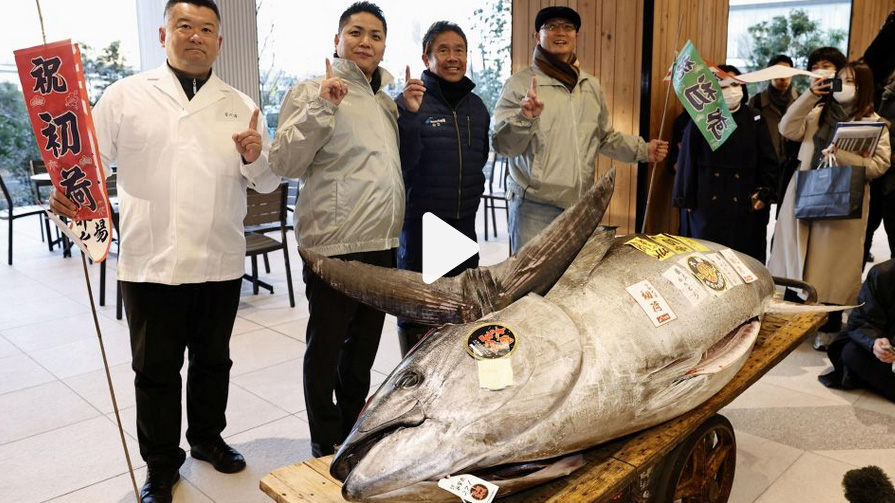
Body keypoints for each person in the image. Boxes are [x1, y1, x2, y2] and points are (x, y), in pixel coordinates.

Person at [50, 1, 281, 502]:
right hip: (150, 260)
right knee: (154, 369)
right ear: (163, 35)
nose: (195, 36)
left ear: (219, 41)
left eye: (206, 29)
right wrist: (68, 194)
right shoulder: (125, 96)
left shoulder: (240, 103)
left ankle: (206, 439)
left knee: (212, 360)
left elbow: (266, 179)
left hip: (218, 258)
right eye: (184, 26)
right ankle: (160, 464)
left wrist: (256, 156)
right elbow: (90, 164)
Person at [269, 1, 402, 457]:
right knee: (325, 346)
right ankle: (324, 435)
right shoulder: (312, 90)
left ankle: (351, 426)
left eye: (375, 35)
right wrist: (323, 106)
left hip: (382, 242)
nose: (366, 42)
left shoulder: (385, 101)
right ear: (337, 40)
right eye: (356, 32)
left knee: (363, 348)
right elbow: (284, 162)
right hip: (332, 244)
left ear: (384, 46)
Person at [491, 5, 668, 254]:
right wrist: (524, 117)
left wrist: (643, 150)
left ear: (576, 36)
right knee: (529, 285)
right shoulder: (519, 84)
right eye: (551, 26)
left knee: (573, 281)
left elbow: (605, 137)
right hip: (534, 208)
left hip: (580, 207)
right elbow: (502, 145)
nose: (560, 32)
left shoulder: (590, 85)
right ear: (537, 36)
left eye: (567, 27)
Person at [769, 57, 892, 351]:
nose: (843, 87)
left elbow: (880, 165)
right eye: (840, 80)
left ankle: (831, 322)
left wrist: (842, 156)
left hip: (843, 200)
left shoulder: (875, 124)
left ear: (863, 88)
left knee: (833, 267)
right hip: (806, 193)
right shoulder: (818, 113)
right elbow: (787, 128)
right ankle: (796, 320)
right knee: (799, 261)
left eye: (851, 81)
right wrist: (811, 93)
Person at [394, 21, 490, 355]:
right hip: (424, 229)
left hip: (464, 224)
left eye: (459, 50)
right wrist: (408, 115)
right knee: (420, 315)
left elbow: (481, 157)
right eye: (443, 50)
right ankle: (414, 388)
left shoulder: (477, 107)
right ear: (427, 57)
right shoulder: (411, 102)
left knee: (463, 312)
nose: (453, 57)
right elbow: (402, 164)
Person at [673, 65, 778, 262]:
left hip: (744, 198)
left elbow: (768, 161)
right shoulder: (699, 119)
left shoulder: (754, 117)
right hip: (707, 199)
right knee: (705, 257)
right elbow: (687, 162)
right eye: (724, 86)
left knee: (742, 257)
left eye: (735, 84)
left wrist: (765, 192)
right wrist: (685, 200)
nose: (731, 90)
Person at [818, 259, 895, 403]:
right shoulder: (883, 274)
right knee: (852, 352)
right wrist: (875, 342)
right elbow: (862, 320)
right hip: (887, 350)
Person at [748, 54, 800, 214]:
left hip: (792, 167)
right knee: (758, 219)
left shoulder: (802, 101)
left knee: (789, 218)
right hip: (764, 169)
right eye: (778, 72)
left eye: (787, 72)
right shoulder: (756, 102)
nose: (783, 77)